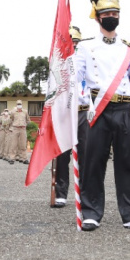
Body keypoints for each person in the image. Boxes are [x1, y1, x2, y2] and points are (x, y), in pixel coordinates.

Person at [72, 0, 130, 231]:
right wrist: (86, 102)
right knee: (93, 162)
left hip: (124, 109)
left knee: (128, 163)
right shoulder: (84, 47)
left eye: (115, 12)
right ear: (97, 16)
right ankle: (92, 212)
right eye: (106, 12)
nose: (111, 16)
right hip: (97, 109)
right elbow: (77, 79)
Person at [53, 26, 91, 207]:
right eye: (71, 41)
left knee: (85, 155)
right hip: (65, 113)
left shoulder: (89, 59)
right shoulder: (58, 62)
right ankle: (61, 192)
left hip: (84, 111)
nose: (74, 45)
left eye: (76, 41)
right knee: (62, 156)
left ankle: (84, 192)